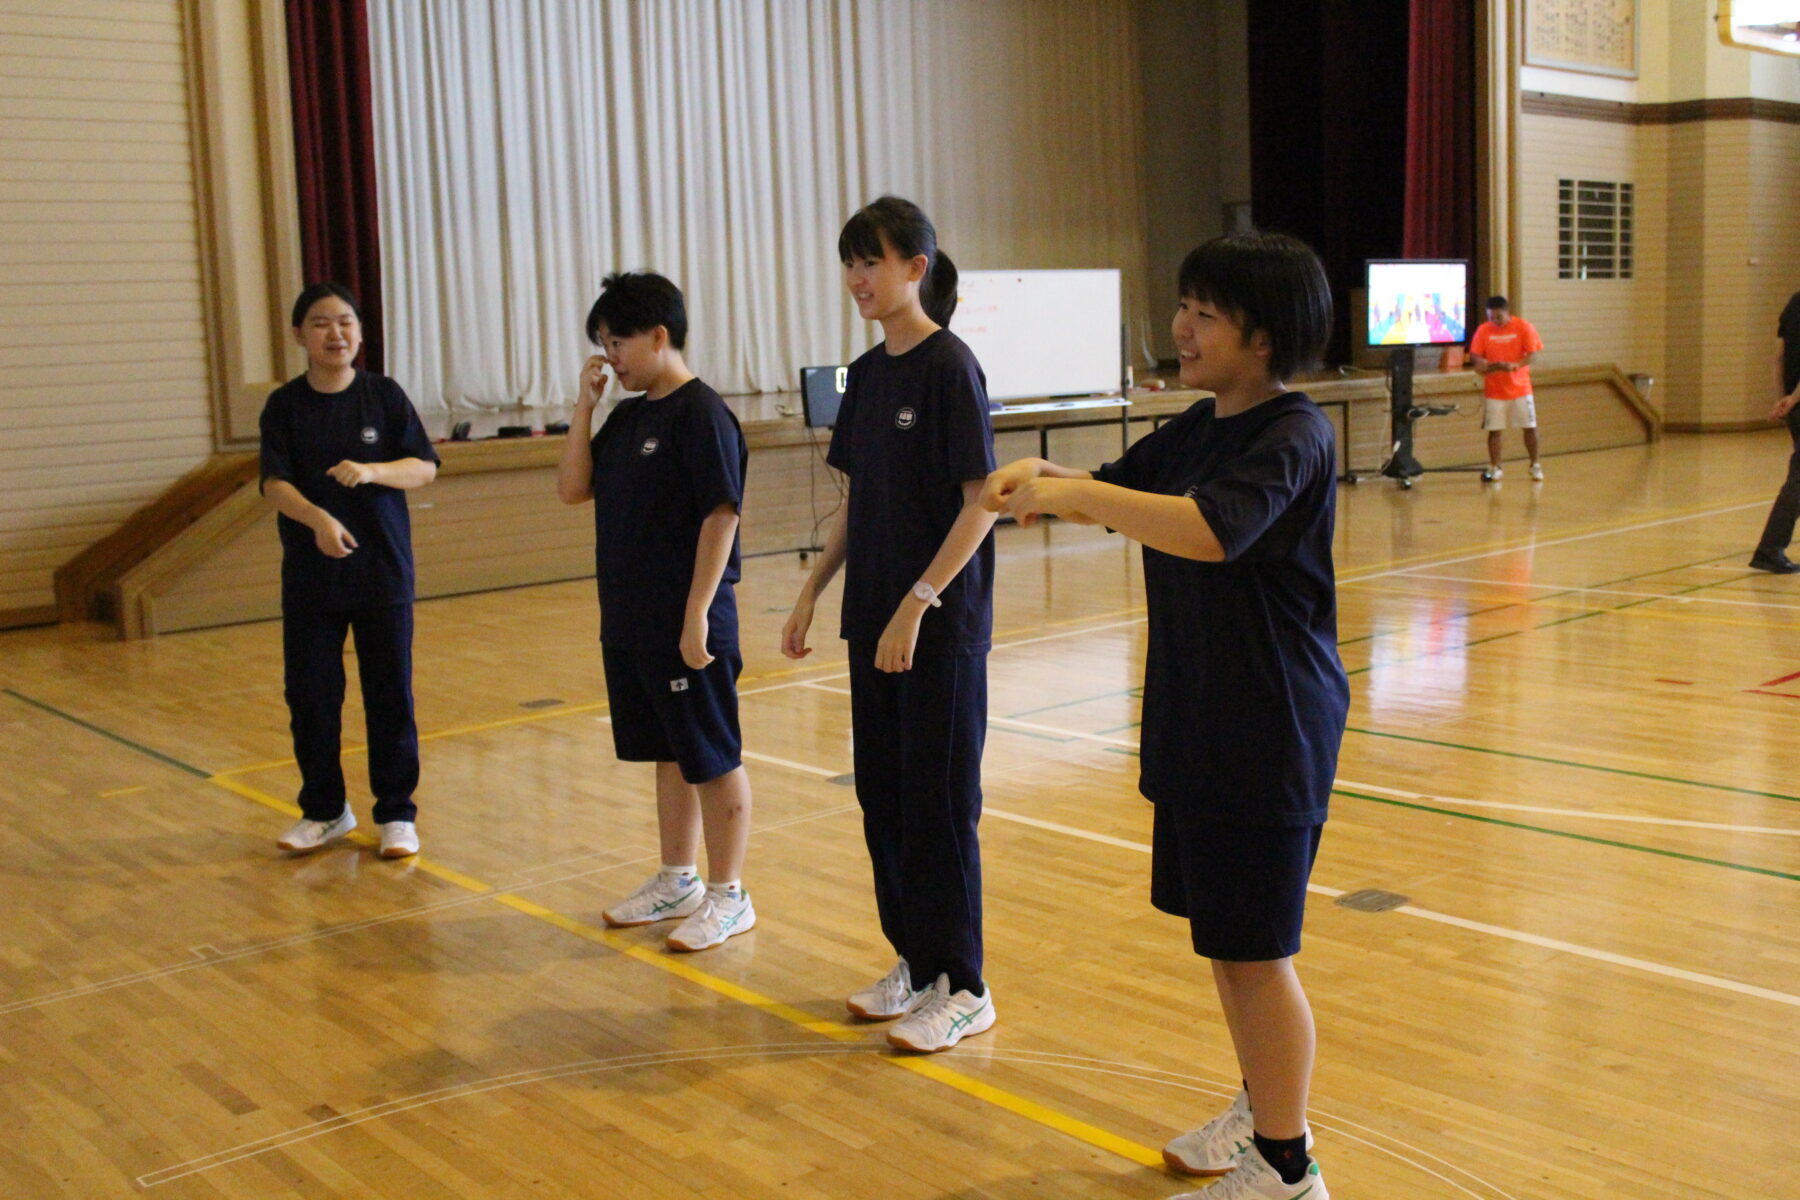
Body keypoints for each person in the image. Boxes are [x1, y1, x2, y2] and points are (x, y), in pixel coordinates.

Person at [982, 232, 1344, 1200]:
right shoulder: (1199, 427)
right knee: (1228, 944)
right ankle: (1264, 1106)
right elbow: (1116, 488)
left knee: (1257, 953)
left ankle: (1288, 1164)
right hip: (1198, 717)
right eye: (1184, 306)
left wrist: (1076, 493)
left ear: (1263, 338)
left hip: (1270, 728)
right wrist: (1041, 483)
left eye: (1205, 313)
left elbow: (1210, 530)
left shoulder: (1295, 433)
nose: (1180, 327)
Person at [780, 196, 999, 1053]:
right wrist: (811, 589)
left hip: (935, 629)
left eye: (872, 261)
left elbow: (979, 504)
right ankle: (915, 961)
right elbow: (858, 503)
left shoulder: (952, 368)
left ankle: (966, 983)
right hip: (869, 622)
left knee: (941, 804)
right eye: (849, 263)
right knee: (886, 798)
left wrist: (919, 600)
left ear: (917, 266)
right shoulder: (865, 376)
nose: (857, 279)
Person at [556, 271, 756, 952]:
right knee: (668, 753)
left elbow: (721, 514)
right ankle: (679, 878)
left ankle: (730, 894)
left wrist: (697, 612)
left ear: (659, 336)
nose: (610, 356)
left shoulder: (702, 413)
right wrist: (584, 407)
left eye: (618, 342)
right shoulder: (629, 416)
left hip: (687, 624)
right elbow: (573, 487)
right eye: (603, 344)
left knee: (711, 754)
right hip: (632, 622)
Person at [261, 283, 440, 859]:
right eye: (320, 323)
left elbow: (424, 468)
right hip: (312, 582)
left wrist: (372, 472)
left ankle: (396, 814)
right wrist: (316, 519)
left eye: (345, 323)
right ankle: (324, 810)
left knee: (390, 696)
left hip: (382, 574)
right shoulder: (284, 406)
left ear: (360, 333)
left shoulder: (384, 396)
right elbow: (274, 483)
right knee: (311, 697)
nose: (335, 334)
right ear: (298, 335)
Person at [1748, 290, 1800, 573]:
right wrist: (1792, 399)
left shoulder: (1793, 303)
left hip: (1794, 405)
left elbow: (1778, 357)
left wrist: (1783, 399)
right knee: (1798, 482)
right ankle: (1770, 548)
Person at [1468, 295, 1544, 482]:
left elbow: (1533, 355)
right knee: (1495, 430)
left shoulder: (1523, 327)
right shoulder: (1483, 330)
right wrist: (1482, 364)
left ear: (1507, 312)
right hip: (1495, 389)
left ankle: (1535, 464)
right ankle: (1496, 466)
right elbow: (1476, 355)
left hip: (1520, 388)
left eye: (1498, 317)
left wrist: (1516, 365)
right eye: (1491, 317)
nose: (1494, 321)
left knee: (1529, 427)